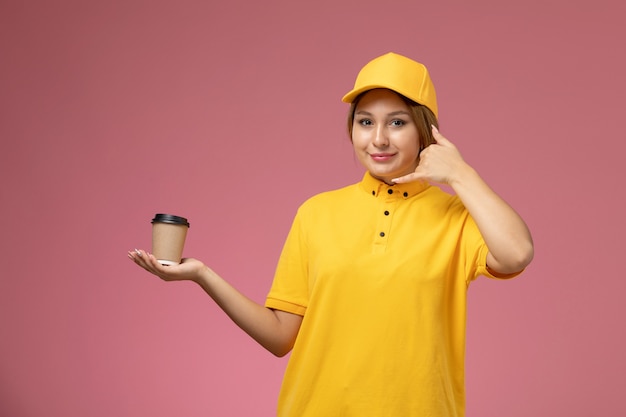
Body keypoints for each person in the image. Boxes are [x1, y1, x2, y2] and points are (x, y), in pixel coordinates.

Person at [128, 52, 534, 417]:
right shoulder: (316, 213)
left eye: (397, 122)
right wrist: (202, 275)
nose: (378, 139)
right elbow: (279, 336)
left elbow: (516, 253)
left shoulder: (455, 217)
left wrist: (460, 173)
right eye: (365, 122)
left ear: (426, 132)